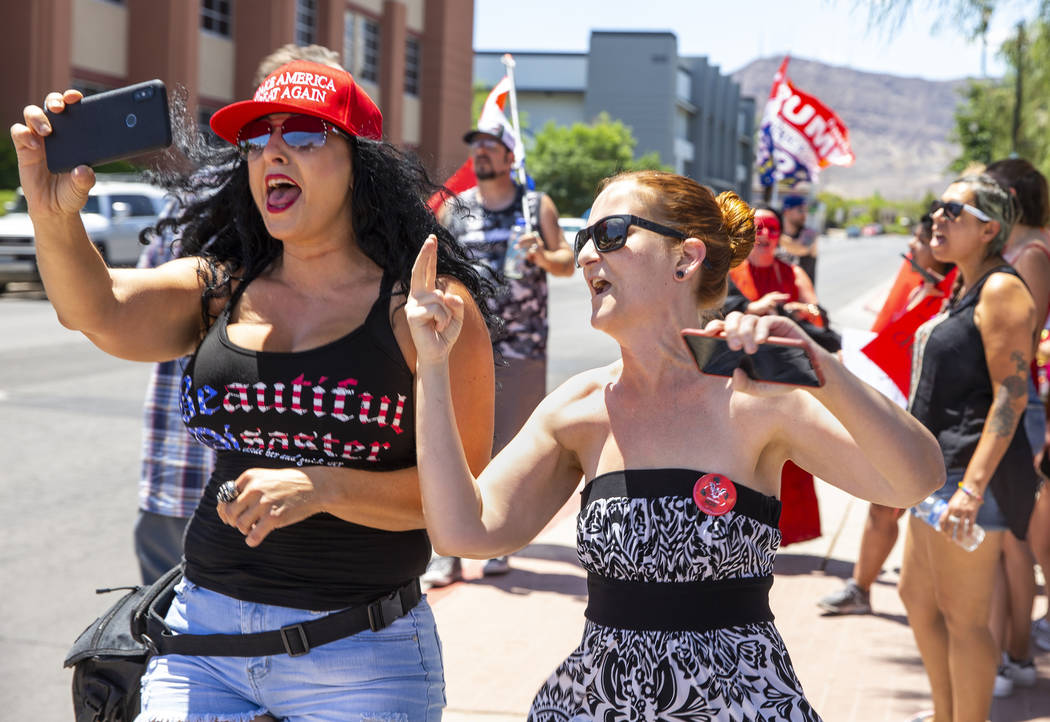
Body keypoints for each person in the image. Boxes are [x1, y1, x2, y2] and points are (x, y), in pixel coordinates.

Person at [13, 52, 497, 720]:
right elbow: (97, 310)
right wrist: (52, 214)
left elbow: (463, 505)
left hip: (359, 657)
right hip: (201, 644)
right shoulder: (223, 289)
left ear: (361, 163)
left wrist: (324, 486)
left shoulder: (425, 309)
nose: (273, 152)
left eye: (301, 135)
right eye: (257, 138)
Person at [405, 169, 945, 719]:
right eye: (583, 240)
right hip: (598, 704)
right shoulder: (579, 408)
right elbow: (462, 531)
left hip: (741, 705)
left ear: (685, 259)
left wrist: (821, 367)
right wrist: (432, 366)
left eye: (611, 233)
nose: (589, 255)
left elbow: (916, 480)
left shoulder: (759, 397)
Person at [898, 173, 1041, 722]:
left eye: (952, 211)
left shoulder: (1002, 289)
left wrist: (972, 489)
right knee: (916, 596)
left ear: (989, 229)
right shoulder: (963, 286)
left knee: (965, 619)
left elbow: (1011, 395)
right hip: (934, 475)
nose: (937, 217)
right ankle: (943, 713)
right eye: (936, 207)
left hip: (967, 479)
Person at [423, 119, 575, 587]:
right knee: (460, 446)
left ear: (511, 157)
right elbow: (437, 265)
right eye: (477, 148)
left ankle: (498, 544)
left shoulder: (535, 207)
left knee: (512, 448)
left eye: (491, 147)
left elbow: (567, 263)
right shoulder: (457, 208)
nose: (482, 154)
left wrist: (541, 257)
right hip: (465, 343)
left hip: (522, 343)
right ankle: (447, 552)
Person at [818, 214, 955, 615]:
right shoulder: (916, 288)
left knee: (925, 516)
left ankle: (951, 603)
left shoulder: (954, 299)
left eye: (918, 242)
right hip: (902, 413)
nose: (911, 250)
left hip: (938, 423)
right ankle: (860, 587)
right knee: (883, 505)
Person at [985, 157, 1050, 696]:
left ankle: (1015, 658)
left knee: (1013, 543)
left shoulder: (1031, 255)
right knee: (1006, 541)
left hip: (1017, 407)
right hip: (1013, 405)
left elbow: (1018, 349)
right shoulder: (1024, 251)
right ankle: (1012, 657)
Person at [724, 203, 823, 546]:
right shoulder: (730, 273)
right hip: (737, 387)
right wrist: (750, 309)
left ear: (781, 235)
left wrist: (800, 310)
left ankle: (777, 535)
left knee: (784, 460)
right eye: (757, 228)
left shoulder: (793, 273)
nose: (764, 235)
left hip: (782, 385)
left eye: (771, 228)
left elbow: (819, 318)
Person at [133, 202, 216, 584]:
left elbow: (132, 316)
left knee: (164, 629)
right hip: (261, 492)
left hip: (174, 475)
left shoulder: (184, 206)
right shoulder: (303, 201)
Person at [778, 194, 819, 285]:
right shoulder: (776, 234)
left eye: (806, 211)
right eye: (800, 210)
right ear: (787, 211)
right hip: (779, 293)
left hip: (803, 296)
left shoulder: (810, 234)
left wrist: (774, 235)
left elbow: (800, 248)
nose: (804, 214)